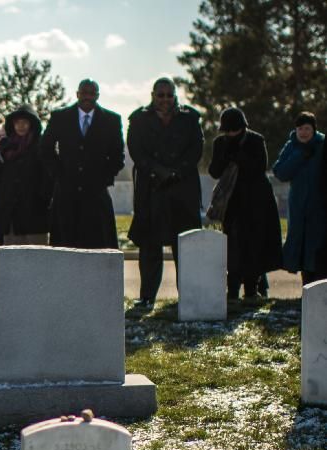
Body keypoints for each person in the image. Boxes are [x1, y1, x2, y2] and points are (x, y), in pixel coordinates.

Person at [126, 78, 204, 309]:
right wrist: (158, 171)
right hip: (151, 190)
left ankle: (189, 296)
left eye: (169, 95)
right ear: (153, 95)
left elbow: (196, 150)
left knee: (185, 246)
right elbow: (136, 151)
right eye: (160, 95)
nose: (165, 100)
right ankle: (147, 295)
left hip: (182, 189)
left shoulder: (190, 119)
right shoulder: (139, 119)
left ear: (175, 96)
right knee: (150, 247)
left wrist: (176, 172)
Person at [40, 79, 125, 249]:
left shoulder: (111, 120)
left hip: (96, 194)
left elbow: (117, 156)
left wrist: (103, 179)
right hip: (66, 193)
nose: (87, 97)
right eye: (84, 93)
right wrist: (59, 174)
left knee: (98, 245)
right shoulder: (60, 117)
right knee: (64, 246)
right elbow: (45, 149)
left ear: (97, 95)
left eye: (92, 93)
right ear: (77, 94)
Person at [208, 107, 282, 301]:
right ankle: (232, 290)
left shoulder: (255, 140)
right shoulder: (220, 143)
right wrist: (226, 155)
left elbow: (259, 168)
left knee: (254, 245)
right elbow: (214, 171)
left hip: (255, 201)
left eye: (235, 130)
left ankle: (251, 289)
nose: (231, 134)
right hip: (231, 203)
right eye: (228, 131)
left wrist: (238, 156)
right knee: (232, 247)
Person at [273, 112, 327, 285]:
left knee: (319, 248)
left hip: (320, 207)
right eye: (300, 129)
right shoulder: (292, 146)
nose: (303, 132)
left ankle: (319, 289)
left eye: (307, 128)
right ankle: (307, 289)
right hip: (297, 207)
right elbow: (280, 172)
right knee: (302, 249)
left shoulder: (322, 145)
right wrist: (300, 155)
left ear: (313, 129)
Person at [0, 105, 49, 245]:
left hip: (35, 215)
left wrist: (41, 198)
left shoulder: (41, 145)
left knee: (38, 258)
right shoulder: (6, 144)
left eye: (25, 122)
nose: (21, 126)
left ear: (32, 124)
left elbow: (48, 178)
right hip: (10, 218)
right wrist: (2, 153)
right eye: (17, 122)